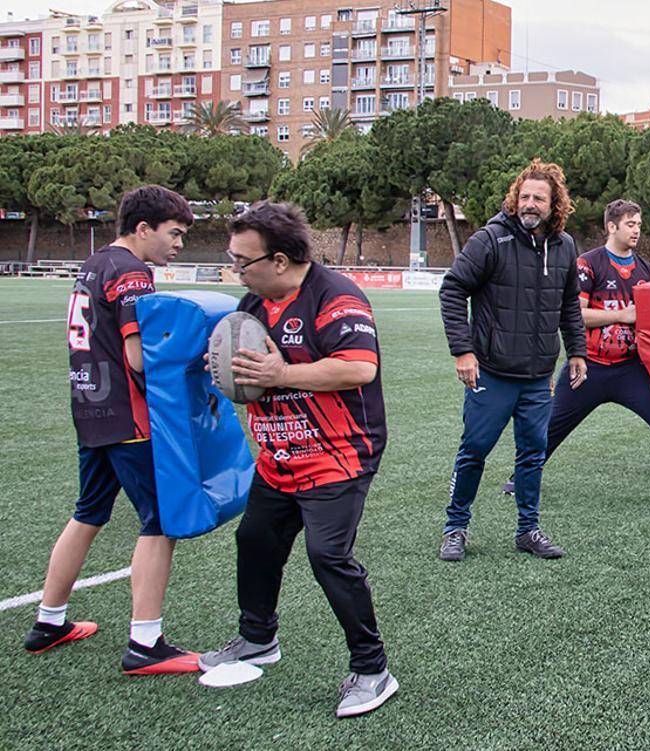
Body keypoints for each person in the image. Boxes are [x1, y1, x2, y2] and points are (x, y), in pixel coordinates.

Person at [198, 202, 396, 719]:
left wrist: (278, 375)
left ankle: (373, 670)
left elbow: (357, 369)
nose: (235, 269)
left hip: (338, 452)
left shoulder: (335, 297)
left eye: (243, 260)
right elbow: (246, 372)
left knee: (327, 555)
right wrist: (226, 368)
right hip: (280, 453)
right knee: (255, 539)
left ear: (280, 260)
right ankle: (257, 638)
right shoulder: (254, 303)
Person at [24, 185, 199, 675]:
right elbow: (137, 356)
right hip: (127, 415)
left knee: (89, 511)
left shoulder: (95, 262)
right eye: (175, 233)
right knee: (160, 520)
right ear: (143, 229)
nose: (179, 244)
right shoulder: (131, 272)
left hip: (89, 407)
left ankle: (49, 619)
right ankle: (146, 643)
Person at [522, 200, 650, 509]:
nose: (637, 230)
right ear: (612, 227)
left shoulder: (645, 269)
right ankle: (523, 475)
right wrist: (622, 315)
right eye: (630, 224)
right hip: (588, 366)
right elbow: (574, 314)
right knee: (551, 425)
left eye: (639, 224)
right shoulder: (588, 264)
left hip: (631, 368)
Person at [437, 159, 588, 561]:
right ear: (514, 199)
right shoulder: (490, 239)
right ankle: (456, 527)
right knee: (475, 449)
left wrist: (577, 351)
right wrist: (463, 350)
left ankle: (527, 529)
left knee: (533, 454)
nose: (530, 203)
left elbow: (569, 303)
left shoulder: (565, 246)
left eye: (539, 197)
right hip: (492, 372)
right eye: (524, 196)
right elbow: (452, 289)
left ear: (555, 204)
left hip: (538, 376)